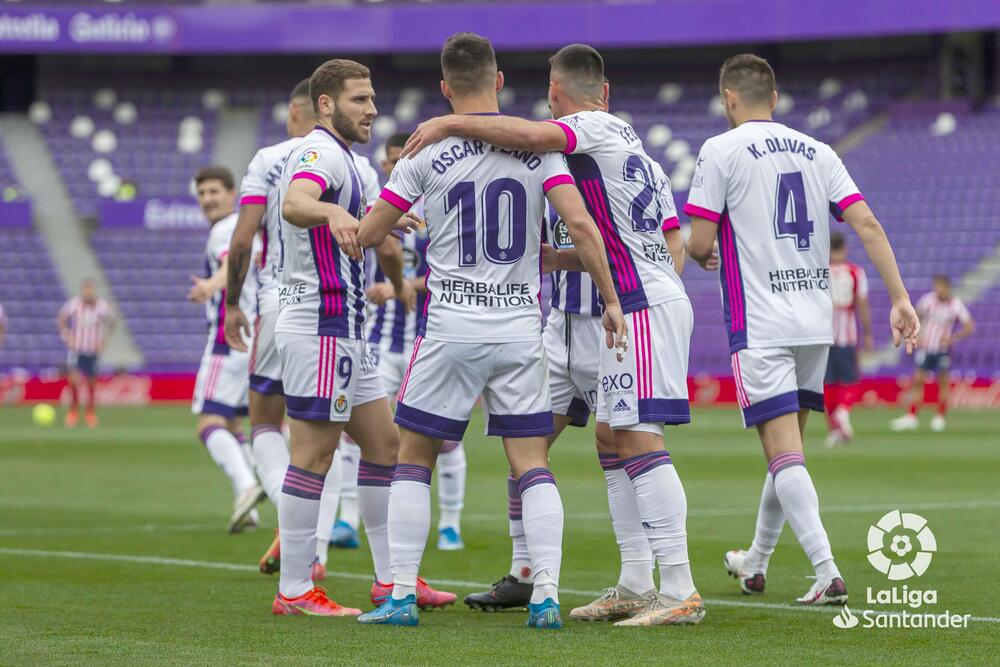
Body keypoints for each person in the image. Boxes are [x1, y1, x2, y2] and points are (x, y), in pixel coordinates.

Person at [402, 42, 701, 627]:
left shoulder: (585, 127)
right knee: (589, 441)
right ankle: (628, 581)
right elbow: (670, 242)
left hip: (631, 308)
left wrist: (447, 121)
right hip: (592, 312)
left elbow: (534, 140)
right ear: (605, 90)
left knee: (636, 437)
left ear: (556, 95)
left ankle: (682, 588)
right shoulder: (635, 153)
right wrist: (558, 259)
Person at [355, 33, 626, 629]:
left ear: (445, 89)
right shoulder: (542, 152)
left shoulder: (424, 152)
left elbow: (369, 234)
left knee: (412, 460)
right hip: (518, 331)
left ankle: (400, 595)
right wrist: (610, 299)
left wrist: (388, 221)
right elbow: (580, 225)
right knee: (532, 464)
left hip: (450, 326)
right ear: (499, 81)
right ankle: (548, 594)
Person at [683, 54, 919, 605]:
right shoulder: (819, 151)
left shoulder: (721, 149)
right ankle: (756, 562)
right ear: (776, 95)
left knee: (783, 453)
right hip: (814, 323)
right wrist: (901, 297)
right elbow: (866, 222)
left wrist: (707, 253)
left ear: (729, 98)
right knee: (786, 451)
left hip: (761, 322)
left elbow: (697, 242)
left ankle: (826, 570)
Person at [270, 58, 453, 617]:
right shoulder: (320, 151)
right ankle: (295, 591)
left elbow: (347, 216)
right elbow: (295, 202)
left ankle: (390, 580)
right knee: (314, 455)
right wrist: (329, 210)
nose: (372, 109)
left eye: (372, 98)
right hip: (321, 326)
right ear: (326, 105)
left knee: (385, 448)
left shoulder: (348, 160)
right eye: (359, 100)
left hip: (349, 331)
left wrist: (378, 218)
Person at [358, 131, 468, 552]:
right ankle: (350, 519)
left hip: (428, 338)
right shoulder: (376, 210)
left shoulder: (440, 206)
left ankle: (450, 524)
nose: (391, 167)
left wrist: (405, 285)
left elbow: (454, 270)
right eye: (387, 161)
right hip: (379, 341)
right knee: (362, 433)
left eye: (398, 160)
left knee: (445, 437)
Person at [224, 78, 317, 573]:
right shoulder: (353, 160)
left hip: (280, 298)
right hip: (337, 306)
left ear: (292, 112)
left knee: (263, 420)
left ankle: (298, 534)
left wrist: (230, 305)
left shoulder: (269, 159)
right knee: (335, 433)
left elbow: (242, 241)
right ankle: (392, 576)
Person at [187, 166, 263, 533]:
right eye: (202, 194)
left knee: (208, 422)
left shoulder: (225, 228)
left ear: (232, 194)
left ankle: (246, 485)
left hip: (226, 337)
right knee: (234, 422)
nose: (208, 200)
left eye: (214, 192)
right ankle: (249, 506)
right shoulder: (249, 228)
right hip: (254, 337)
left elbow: (231, 262)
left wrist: (211, 286)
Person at [890, 275, 974, 432]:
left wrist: (953, 338)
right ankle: (912, 416)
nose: (937, 289)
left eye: (940, 286)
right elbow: (916, 316)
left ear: (947, 287)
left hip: (942, 350)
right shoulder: (928, 300)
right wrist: (918, 334)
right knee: (918, 380)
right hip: (926, 348)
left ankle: (940, 417)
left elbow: (969, 326)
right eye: (936, 286)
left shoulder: (955, 305)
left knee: (942, 382)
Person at [824, 232, 872, 446]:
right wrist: (868, 334)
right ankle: (843, 412)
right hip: (847, 333)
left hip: (823, 333)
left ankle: (834, 428)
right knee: (850, 379)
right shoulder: (855, 272)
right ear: (844, 247)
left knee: (827, 382)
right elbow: (862, 304)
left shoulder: (820, 269)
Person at [57, 279, 113, 428]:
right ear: (83, 290)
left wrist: (103, 342)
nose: (88, 292)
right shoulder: (74, 304)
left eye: (90, 289)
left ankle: (90, 413)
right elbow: (62, 318)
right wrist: (66, 336)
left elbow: (112, 323)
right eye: (86, 289)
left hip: (92, 351)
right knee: (74, 380)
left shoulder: (101, 306)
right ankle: (73, 411)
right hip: (77, 350)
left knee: (91, 383)